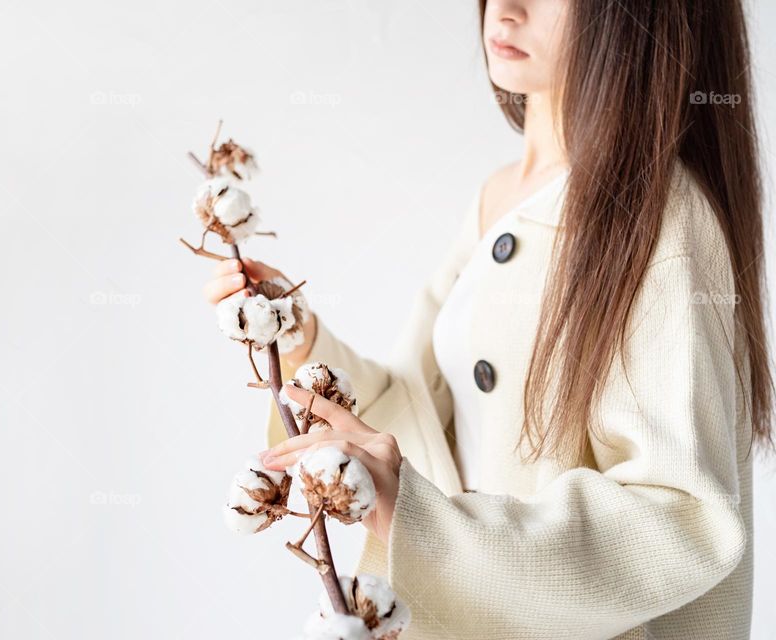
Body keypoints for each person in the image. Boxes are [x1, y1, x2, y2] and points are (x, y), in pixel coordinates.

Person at [202, 1, 772, 637]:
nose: (506, 9)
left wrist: (430, 529)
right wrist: (300, 337)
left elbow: (682, 515)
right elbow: (416, 411)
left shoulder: (661, 220)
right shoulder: (499, 197)